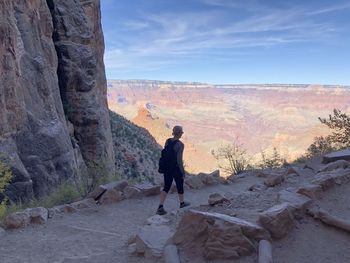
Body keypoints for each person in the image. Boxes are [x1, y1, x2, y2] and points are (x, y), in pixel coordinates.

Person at [157, 125, 190, 215]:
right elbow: (179, 160)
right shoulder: (180, 145)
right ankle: (182, 203)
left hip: (167, 167)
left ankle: (160, 206)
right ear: (179, 133)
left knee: (166, 186)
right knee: (180, 185)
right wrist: (182, 171)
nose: (182, 134)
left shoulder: (167, 141)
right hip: (175, 168)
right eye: (181, 132)